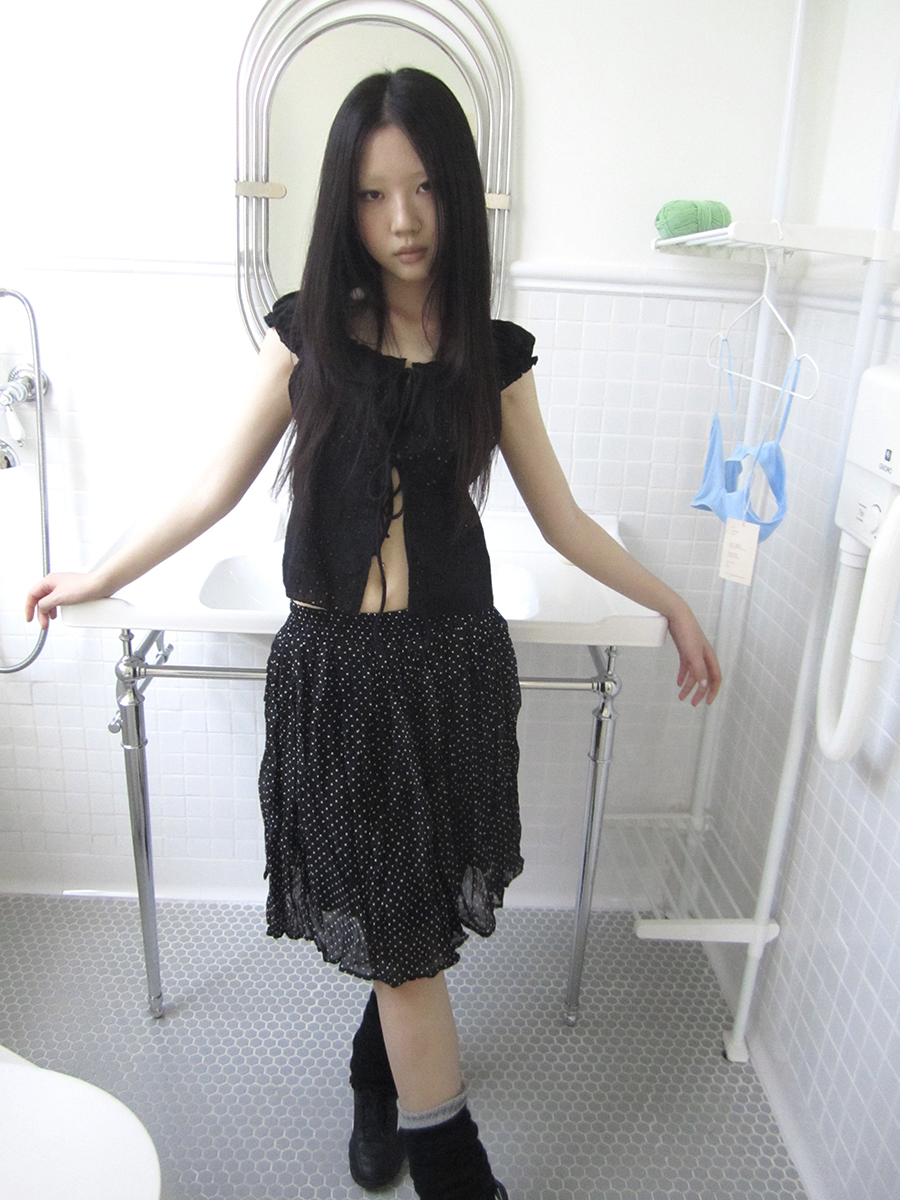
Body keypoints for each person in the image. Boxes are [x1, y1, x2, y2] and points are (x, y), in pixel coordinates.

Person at [27, 68, 720, 1200]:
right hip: (339, 672)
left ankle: (372, 1075)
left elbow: (562, 519)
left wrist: (672, 603)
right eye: (371, 193)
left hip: (450, 667)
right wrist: (98, 573)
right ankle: (454, 1167)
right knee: (401, 929)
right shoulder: (310, 336)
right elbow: (211, 486)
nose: (402, 219)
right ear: (342, 207)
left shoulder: (491, 355)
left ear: (459, 193)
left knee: (411, 914)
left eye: (424, 188)